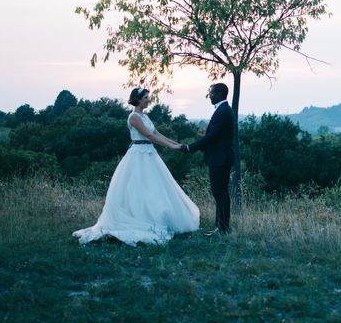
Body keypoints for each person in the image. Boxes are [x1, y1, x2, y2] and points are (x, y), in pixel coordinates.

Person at [73, 88, 200, 245]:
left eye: (148, 97)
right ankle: (139, 219)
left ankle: (158, 217)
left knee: (154, 187)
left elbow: (158, 134)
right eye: (146, 98)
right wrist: (171, 148)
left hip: (149, 154)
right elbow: (149, 136)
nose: (149, 100)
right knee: (137, 188)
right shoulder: (133, 117)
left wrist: (177, 144)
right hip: (138, 154)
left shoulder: (145, 116)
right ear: (138, 99)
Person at [181, 83, 235, 235]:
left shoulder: (222, 112)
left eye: (211, 93)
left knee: (220, 193)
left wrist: (189, 148)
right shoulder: (223, 110)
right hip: (221, 158)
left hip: (220, 159)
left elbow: (211, 137)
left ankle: (223, 228)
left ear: (219, 93)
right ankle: (221, 226)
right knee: (221, 193)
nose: (210, 96)